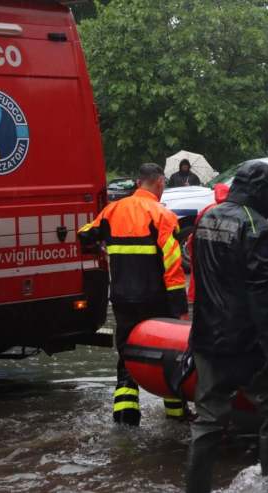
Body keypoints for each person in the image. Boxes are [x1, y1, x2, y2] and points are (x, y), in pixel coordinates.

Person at [186, 161, 268, 493]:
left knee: (206, 421)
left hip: (205, 337)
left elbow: (201, 281)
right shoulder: (258, 228)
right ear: (263, 192)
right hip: (243, 343)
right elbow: (259, 298)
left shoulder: (207, 218)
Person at [78, 163, 189, 426]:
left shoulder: (112, 210)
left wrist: (100, 247)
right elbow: (173, 266)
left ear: (138, 183)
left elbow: (84, 235)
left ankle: (126, 417)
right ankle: (177, 416)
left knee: (127, 353)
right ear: (160, 182)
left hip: (122, 299)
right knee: (167, 355)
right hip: (156, 299)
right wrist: (179, 308)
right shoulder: (162, 216)